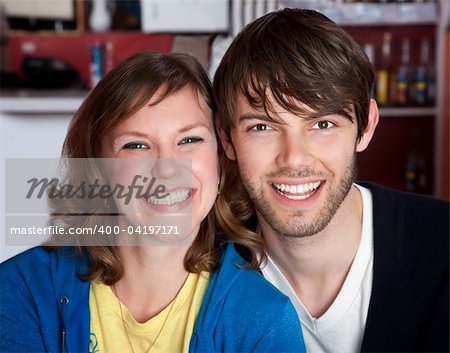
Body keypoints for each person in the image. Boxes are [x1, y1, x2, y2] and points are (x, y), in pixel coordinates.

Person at [0, 51, 306, 353]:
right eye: (136, 145)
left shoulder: (264, 321)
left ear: (221, 157)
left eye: (190, 140)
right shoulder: (21, 290)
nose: (166, 168)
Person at [213, 8, 449, 353]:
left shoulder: (442, 248)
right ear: (227, 139)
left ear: (366, 126)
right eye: (262, 127)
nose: (294, 158)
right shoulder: (202, 268)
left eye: (322, 124)